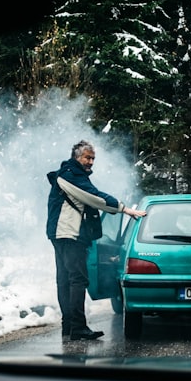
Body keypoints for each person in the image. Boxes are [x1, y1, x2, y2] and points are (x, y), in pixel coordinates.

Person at [46, 140, 146, 341]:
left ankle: (70, 327)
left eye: (93, 158)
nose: (91, 162)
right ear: (77, 156)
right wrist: (124, 209)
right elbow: (94, 197)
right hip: (68, 234)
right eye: (87, 157)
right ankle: (78, 327)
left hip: (62, 234)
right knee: (77, 279)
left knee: (65, 280)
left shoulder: (71, 175)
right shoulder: (70, 175)